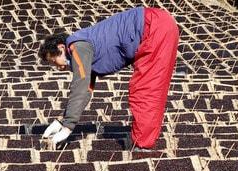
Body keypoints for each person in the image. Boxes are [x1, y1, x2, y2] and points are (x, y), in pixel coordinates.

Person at [38, 7, 179, 151]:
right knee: (151, 88)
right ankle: (141, 142)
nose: (58, 68)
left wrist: (68, 127)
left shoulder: (78, 46)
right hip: (160, 25)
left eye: (54, 62)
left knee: (146, 90)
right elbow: (85, 90)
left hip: (153, 27)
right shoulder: (84, 47)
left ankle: (142, 146)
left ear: (61, 48)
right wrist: (62, 121)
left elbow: (80, 85)